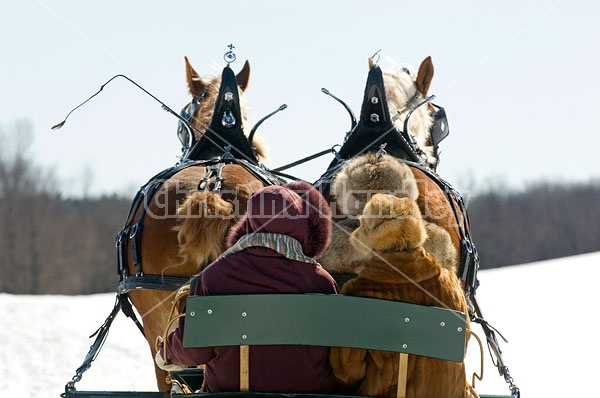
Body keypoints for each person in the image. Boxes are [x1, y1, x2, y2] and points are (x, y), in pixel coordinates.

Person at [157, 181, 339, 393]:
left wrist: (166, 352)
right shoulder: (320, 281)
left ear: (251, 219)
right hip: (311, 394)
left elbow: (194, 350)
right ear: (300, 221)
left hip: (233, 392)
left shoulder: (214, 277)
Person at [329, 193, 471, 398]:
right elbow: (460, 343)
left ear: (371, 242)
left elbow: (347, 371)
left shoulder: (360, 292)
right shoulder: (450, 284)